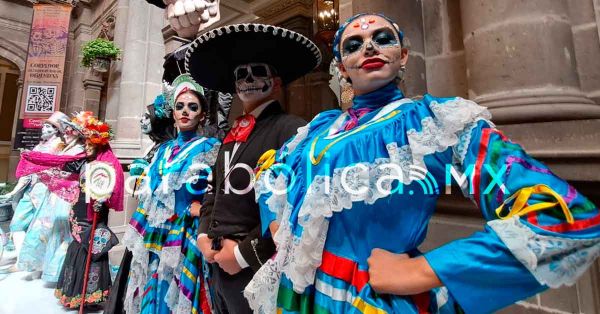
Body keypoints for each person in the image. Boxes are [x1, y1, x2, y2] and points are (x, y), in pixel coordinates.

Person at [245, 13, 600, 313]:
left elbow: (565, 219)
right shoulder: (320, 128)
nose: (368, 47)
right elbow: (271, 172)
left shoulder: (435, 123)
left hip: (366, 301)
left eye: (381, 38)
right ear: (342, 68)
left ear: (403, 56)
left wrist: (424, 270)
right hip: (296, 296)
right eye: (353, 45)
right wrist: (278, 225)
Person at [185, 22, 320, 313]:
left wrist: (244, 255)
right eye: (240, 74)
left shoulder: (292, 129)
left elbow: (295, 208)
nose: (247, 79)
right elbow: (214, 190)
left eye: (257, 71)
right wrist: (204, 235)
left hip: (258, 269)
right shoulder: (230, 136)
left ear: (276, 82)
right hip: (218, 264)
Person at [122, 74, 219, 314]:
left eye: (192, 107)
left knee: (180, 291)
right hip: (155, 231)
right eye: (180, 106)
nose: (185, 111)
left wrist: (202, 209)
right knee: (153, 282)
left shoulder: (210, 148)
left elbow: (215, 191)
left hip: (187, 231)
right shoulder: (163, 149)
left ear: (202, 115)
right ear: (173, 113)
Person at [104, 94, 176, 314]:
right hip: (145, 215)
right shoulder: (153, 147)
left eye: (147, 116)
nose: (142, 120)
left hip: (161, 221)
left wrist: (146, 175)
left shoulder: (169, 148)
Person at [3, 111, 85, 281]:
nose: (67, 134)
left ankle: (53, 269)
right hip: (48, 191)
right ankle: (31, 263)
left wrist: (44, 169)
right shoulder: (62, 147)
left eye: (70, 131)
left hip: (60, 193)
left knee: (55, 231)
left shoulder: (69, 148)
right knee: (38, 228)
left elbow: (60, 169)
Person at [55, 111, 124, 309]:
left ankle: (91, 294)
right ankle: (74, 292)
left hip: (93, 212)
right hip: (79, 208)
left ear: (99, 143)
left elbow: (108, 187)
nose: (86, 147)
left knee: (91, 248)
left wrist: (102, 200)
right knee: (77, 246)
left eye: (89, 144)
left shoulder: (106, 164)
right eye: (85, 143)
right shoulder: (85, 163)